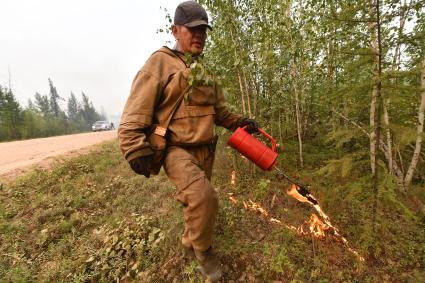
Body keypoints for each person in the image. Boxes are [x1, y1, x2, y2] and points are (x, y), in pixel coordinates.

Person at [118, 1, 258, 281]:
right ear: (176, 30)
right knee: (204, 197)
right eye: (192, 29)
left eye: (203, 30)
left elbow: (220, 112)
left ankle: (186, 244)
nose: (199, 35)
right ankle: (204, 253)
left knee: (193, 201)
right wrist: (134, 148)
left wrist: (240, 122)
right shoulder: (160, 62)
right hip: (175, 149)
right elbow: (135, 109)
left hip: (206, 150)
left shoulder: (204, 71)